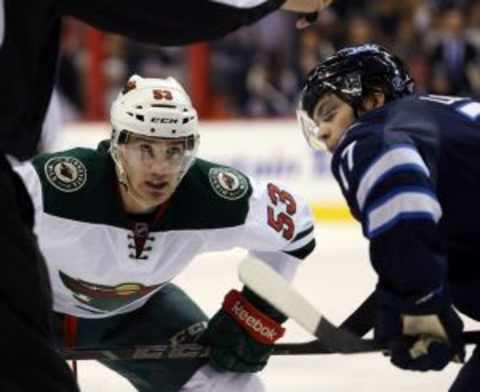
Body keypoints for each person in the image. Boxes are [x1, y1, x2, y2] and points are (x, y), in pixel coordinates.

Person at [0, 1, 333, 390]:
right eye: (145, 149)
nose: (160, 168)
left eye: (174, 150)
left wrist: (257, 311)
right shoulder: (58, 186)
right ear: (116, 146)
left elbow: (297, 229)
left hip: (136, 315)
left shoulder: (211, 194)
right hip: (33, 308)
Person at [296, 43, 480, 391]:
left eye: (329, 112)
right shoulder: (442, 117)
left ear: (373, 100)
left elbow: (404, 203)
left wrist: (417, 301)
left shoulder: (373, 131)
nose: (322, 131)